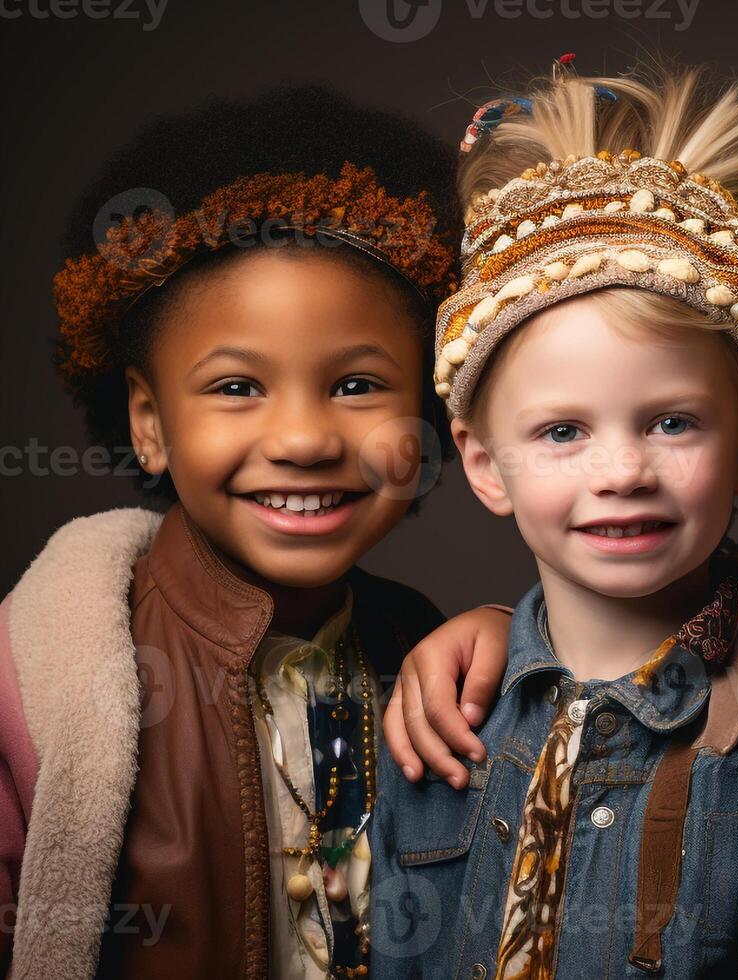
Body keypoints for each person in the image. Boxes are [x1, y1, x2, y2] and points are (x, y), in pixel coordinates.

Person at [367, 61, 738, 979]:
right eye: (561, 431)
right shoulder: (440, 723)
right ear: (480, 463)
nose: (621, 471)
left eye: (671, 422)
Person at [0, 86, 460, 978]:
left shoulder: (432, 653)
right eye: (237, 387)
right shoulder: (38, 681)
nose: (302, 440)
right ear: (148, 419)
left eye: (359, 385)